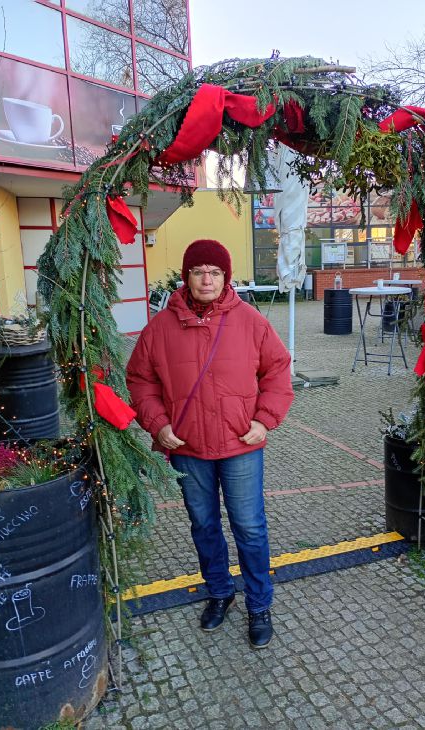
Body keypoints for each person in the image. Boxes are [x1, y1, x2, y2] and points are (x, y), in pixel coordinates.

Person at [126, 239, 293, 649]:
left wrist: (264, 420)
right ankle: (219, 592)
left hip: (240, 446)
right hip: (188, 447)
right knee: (203, 525)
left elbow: (278, 370)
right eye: (199, 271)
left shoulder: (251, 321)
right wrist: (158, 424)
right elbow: (140, 380)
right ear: (186, 276)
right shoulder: (159, 328)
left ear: (225, 277)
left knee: (249, 528)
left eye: (215, 272)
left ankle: (259, 605)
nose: (206, 279)